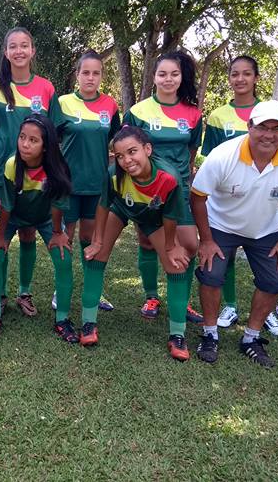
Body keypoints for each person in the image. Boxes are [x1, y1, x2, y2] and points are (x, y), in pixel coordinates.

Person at [191, 100, 278, 368]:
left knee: (274, 281)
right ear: (249, 127)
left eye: (277, 128)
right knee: (211, 274)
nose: (269, 134)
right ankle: (210, 333)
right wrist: (207, 239)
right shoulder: (223, 155)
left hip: (268, 228)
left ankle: (251, 338)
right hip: (221, 224)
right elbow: (198, 196)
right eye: (262, 126)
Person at [82, 126, 193, 357]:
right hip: (122, 208)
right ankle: (88, 322)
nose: (126, 160)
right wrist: (98, 240)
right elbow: (103, 205)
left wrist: (171, 246)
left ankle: (177, 335)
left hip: (154, 219)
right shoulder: (114, 174)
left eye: (132, 152)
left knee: (176, 265)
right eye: (120, 155)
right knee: (96, 255)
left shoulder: (169, 178)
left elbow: (170, 217)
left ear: (148, 149)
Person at [202, 56, 278, 337]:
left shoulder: (271, 113)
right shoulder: (217, 116)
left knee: (269, 268)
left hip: (262, 205)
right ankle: (229, 305)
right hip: (227, 201)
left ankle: (266, 315)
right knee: (220, 258)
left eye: (246, 74)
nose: (240, 79)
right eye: (235, 74)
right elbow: (209, 162)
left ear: (256, 78)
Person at [0, 27, 57, 317]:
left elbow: (53, 134)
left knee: (28, 233)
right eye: (13, 46)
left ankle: (25, 292)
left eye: (25, 46)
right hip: (2, 175)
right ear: (6, 52)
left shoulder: (46, 89)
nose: (19, 51)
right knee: (1, 231)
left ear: (33, 51)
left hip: (37, 178)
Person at [125, 50, 203, 324]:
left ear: (181, 78)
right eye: (162, 74)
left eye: (174, 74)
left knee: (190, 245)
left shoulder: (193, 114)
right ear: (154, 77)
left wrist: (180, 178)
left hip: (179, 190)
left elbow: (191, 152)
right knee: (147, 241)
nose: (168, 79)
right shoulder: (138, 111)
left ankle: (183, 300)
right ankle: (151, 296)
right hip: (145, 190)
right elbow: (127, 150)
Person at [0, 114, 73, 343]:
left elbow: (58, 204)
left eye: (33, 140)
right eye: (22, 137)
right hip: (11, 216)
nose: (25, 144)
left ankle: (61, 319)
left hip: (44, 218)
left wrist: (57, 233)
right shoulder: (13, 164)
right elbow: (6, 204)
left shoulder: (58, 168)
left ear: (46, 146)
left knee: (63, 257)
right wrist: (0, 236)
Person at [52, 50, 121, 313]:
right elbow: (51, 141)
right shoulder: (63, 103)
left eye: (96, 73)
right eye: (85, 72)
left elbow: (117, 141)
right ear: (77, 75)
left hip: (98, 186)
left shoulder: (110, 106)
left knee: (92, 239)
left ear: (102, 76)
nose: (90, 78)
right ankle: (62, 289)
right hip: (68, 185)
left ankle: (94, 289)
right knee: (65, 238)